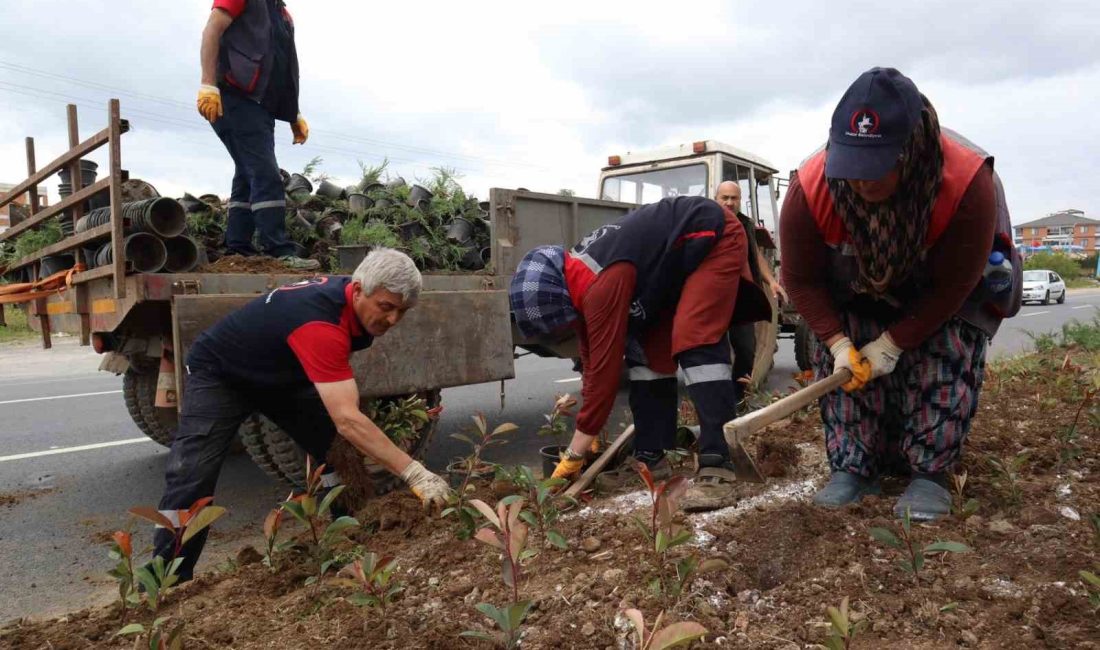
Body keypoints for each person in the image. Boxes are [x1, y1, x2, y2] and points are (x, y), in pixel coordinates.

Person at [780, 67, 1021, 520]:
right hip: (854, 286)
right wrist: (837, 343)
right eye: (852, 167)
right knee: (849, 369)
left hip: (944, 292)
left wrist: (892, 343)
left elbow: (955, 285)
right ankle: (853, 465)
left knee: (943, 352)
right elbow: (803, 280)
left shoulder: (967, 185)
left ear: (911, 153)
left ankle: (930, 471)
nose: (862, 183)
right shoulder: (809, 190)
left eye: (877, 168)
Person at [152, 249, 451, 579]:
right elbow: (348, 419)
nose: (393, 319)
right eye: (386, 307)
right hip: (222, 374)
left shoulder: (350, 299)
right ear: (359, 289)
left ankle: (346, 540)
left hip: (282, 374)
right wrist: (415, 472)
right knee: (193, 473)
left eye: (402, 311)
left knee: (338, 453)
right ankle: (168, 580)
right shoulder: (321, 324)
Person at [510, 197, 770, 511]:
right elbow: (592, 363)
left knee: (695, 339)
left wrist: (575, 453)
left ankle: (719, 463)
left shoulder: (599, 284)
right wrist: (588, 432)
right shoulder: (578, 280)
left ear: (561, 303)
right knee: (646, 356)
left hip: (712, 236)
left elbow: (606, 374)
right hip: (671, 268)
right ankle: (652, 456)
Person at [197, 0, 319, 270]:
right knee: (265, 173)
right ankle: (277, 249)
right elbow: (211, 30)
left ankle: (238, 245)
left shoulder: (281, 13)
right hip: (234, 98)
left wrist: (293, 113)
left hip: (261, 107)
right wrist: (208, 83)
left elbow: (284, 66)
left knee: (247, 172)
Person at [715, 181, 788, 403]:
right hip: (715, 298)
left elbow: (755, 254)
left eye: (734, 198)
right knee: (715, 351)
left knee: (746, 349)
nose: (729, 202)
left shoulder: (745, 224)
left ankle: (739, 399)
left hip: (742, 298)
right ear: (716, 199)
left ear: (739, 199)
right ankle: (716, 401)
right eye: (724, 197)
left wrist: (771, 282)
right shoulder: (707, 221)